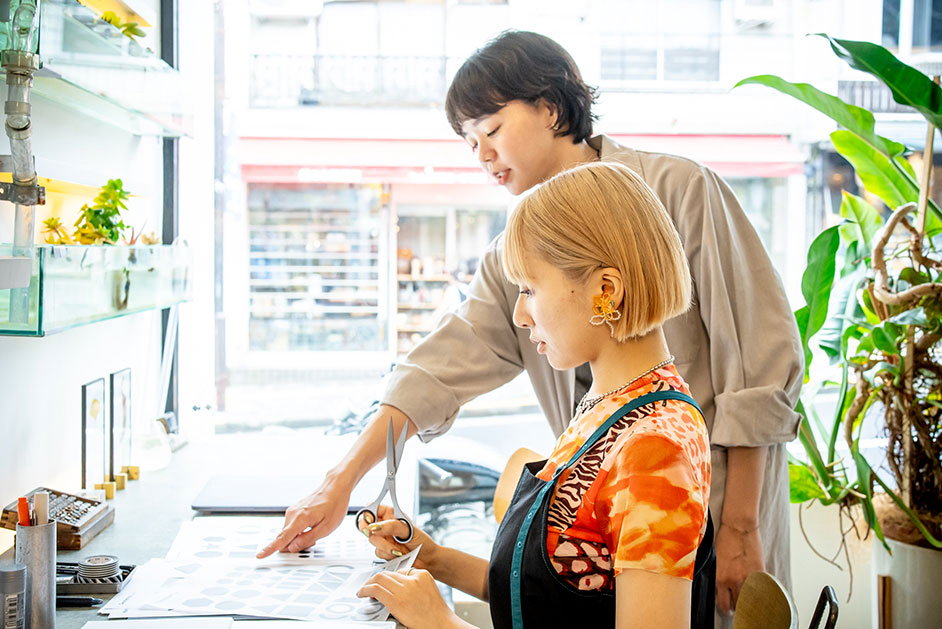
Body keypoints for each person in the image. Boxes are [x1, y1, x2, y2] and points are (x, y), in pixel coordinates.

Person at [258, 30, 803, 623]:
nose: (482, 153)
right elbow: (439, 364)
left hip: (711, 508)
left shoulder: (679, 192)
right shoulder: (518, 255)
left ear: (550, 107)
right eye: (470, 142)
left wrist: (740, 524)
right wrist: (344, 486)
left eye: (491, 130)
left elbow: (760, 362)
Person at [357, 161, 714, 629]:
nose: (520, 316)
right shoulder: (612, 404)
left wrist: (441, 623)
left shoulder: (654, 450)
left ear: (605, 291)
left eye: (529, 289)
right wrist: (434, 558)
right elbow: (550, 599)